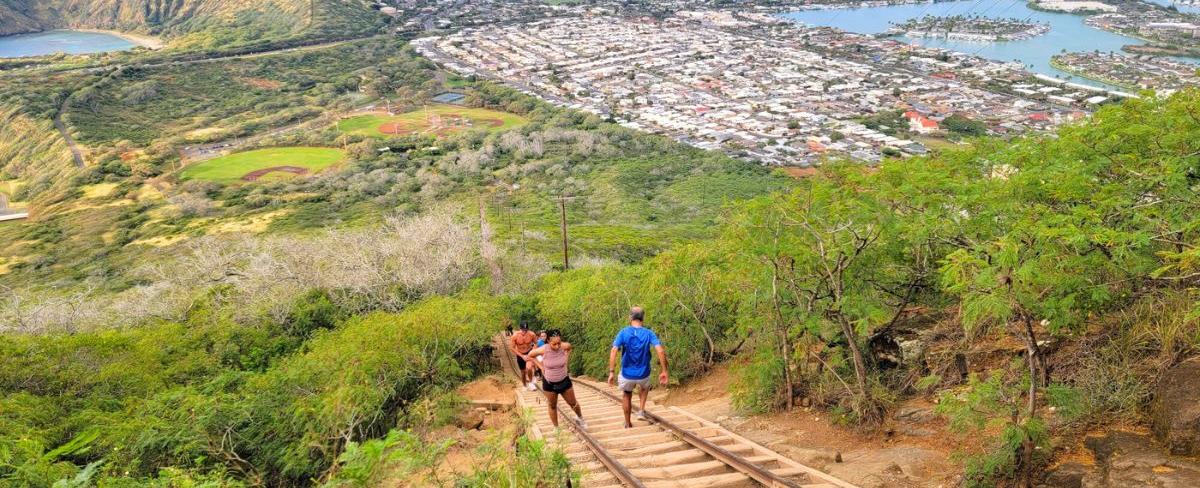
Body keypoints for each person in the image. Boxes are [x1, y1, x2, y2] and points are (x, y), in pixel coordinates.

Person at [607, 306, 669, 428]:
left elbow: (614, 350)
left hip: (627, 374)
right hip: (643, 374)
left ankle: (627, 423)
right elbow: (660, 351)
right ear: (643, 318)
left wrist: (611, 372)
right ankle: (641, 410)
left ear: (630, 317)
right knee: (644, 387)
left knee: (626, 395)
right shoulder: (649, 333)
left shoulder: (623, 332)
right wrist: (664, 371)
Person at [528, 330, 586, 430]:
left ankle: (580, 418)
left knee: (573, 403)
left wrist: (566, 361)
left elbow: (569, 347)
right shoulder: (543, 349)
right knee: (552, 405)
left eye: (559, 343)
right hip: (549, 383)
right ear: (548, 341)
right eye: (554, 344)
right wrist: (540, 366)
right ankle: (556, 428)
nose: (557, 346)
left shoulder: (564, 346)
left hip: (564, 381)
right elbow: (530, 355)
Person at [509, 323, 538, 391]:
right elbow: (512, 348)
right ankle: (524, 385)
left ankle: (531, 383)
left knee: (529, 368)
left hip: (529, 352)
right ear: (520, 329)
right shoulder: (515, 336)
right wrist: (522, 356)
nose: (524, 331)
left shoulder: (532, 334)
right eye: (523, 330)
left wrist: (532, 352)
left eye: (526, 330)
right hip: (520, 354)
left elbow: (536, 343)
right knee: (523, 372)